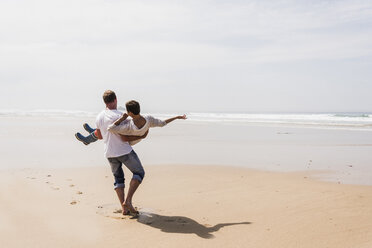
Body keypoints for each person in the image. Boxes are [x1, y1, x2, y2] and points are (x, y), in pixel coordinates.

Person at [94, 90, 147, 216]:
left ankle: (124, 208)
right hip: (124, 151)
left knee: (118, 179)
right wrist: (143, 135)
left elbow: (100, 136)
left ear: (105, 102)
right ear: (115, 99)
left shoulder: (99, 116)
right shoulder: (121, 115)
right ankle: (128, 201)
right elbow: (128, 135)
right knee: (139, 172)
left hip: (109, 153)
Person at [75, 101, 186, 146]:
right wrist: (176, 117)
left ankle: (88, 139)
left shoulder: (128, 126)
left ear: (129, 113)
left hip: (127, 140)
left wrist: (122, 118)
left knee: (108, 130)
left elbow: (110, 128)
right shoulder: (148, 119)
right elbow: (162, 123)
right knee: (107, 128)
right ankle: (93, 132)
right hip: (134, 138)